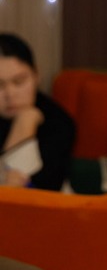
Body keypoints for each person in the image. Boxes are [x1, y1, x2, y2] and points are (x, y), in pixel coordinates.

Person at [0, 33, 75, 190]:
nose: (10, 94)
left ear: (36, 76)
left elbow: (39, 190)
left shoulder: (58, 121)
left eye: (19, 82)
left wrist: (25, 121)